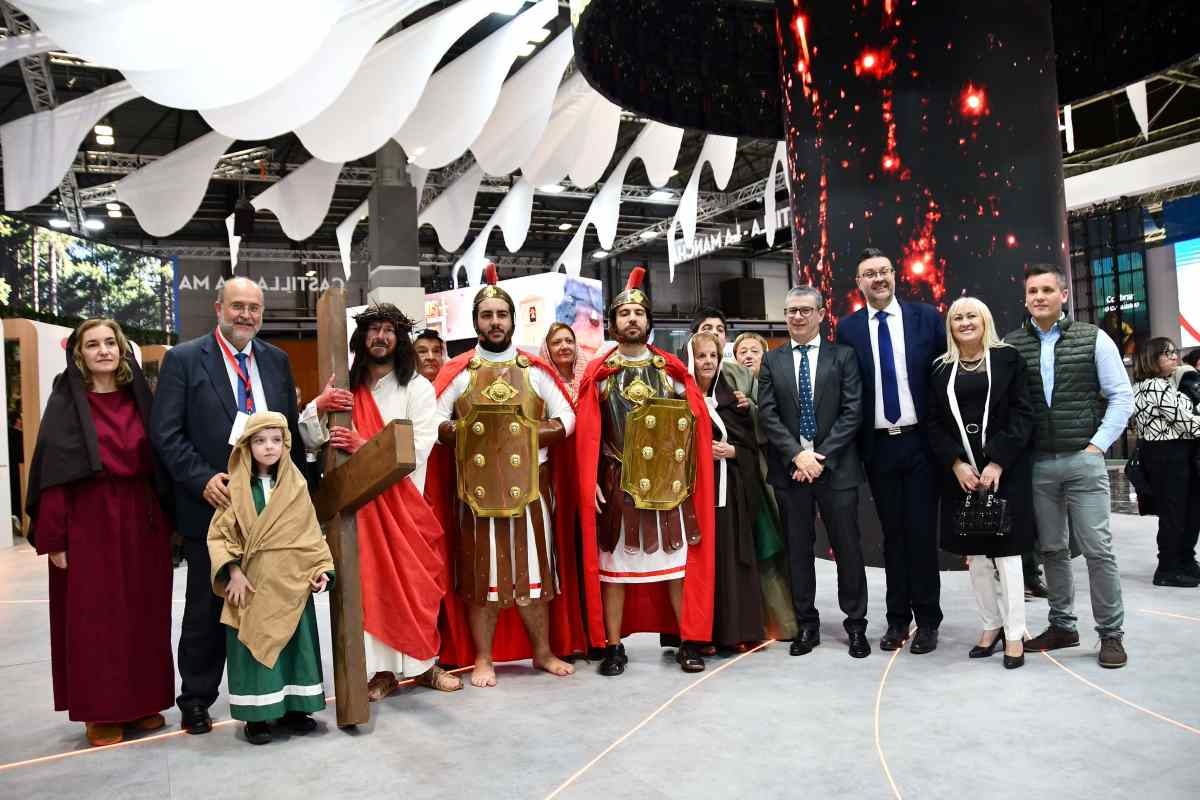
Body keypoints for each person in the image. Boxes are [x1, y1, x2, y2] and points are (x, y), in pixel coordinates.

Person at [428, 266, 596, 687]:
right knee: (481, 578)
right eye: (487, 315)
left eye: (501, 314)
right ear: (476, 322)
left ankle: (541, 652)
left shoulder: (534, 369)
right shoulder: (461, 371)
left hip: (531, 488)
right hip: (476, 491)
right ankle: (483, 657)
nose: (495, 322)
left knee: (535, 575)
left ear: (512, 319)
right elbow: (432, 421)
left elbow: (568, 418)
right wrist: (467, 435)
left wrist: (525, 436)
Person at [151, 277, 304, 734]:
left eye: (254, 308)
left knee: (270, 605)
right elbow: (166, 434)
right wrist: (201, 480)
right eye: (237, 306)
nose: (246, 315)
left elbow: (288, 432)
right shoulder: (183, 360)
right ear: (218, 308)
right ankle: (197, 699)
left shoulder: (277, 362)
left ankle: (275, 697)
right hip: (213, 506)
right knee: (207, 607)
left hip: (269, 509)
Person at [26, 319, 174, 747]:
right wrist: (54, 539)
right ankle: (101, 711)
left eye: (111, 342)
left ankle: (145, 700)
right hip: (89, 520)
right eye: (93, 344)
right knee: (96, 620)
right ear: (80, 354)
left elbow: (159, 459)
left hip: (142, 519)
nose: (104, 350)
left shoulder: (139, 398)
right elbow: (53, 474)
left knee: (145, 613)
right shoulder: (66, 404)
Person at [300, 303, 459, 699]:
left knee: (416, 586)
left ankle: (424, 666)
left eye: (389, 330)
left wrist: (365, 446)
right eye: (374, 330)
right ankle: (381, 673)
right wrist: (318, 408)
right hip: (359, 510)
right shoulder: (346, 389)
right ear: (362, 337)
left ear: (399, 339)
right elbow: (311, 439)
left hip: (405, 505)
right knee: (369, 590)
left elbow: (420, 446)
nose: (381, 337)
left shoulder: (417, 388)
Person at [575, 267, 717, 675]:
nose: (632, 320)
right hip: (617, 484)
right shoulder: (600, 375)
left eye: (638, 314)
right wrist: (591, 481)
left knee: (677, 567)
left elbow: (691, 426)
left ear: (649, 322)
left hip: (668, 487)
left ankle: (688, 640)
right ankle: (614, 646)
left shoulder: (671, 372)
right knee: (615, 571)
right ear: (614, 323)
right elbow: (587, 437)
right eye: (624, 315)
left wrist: (688, 477)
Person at [1006, 263, 1134, 668]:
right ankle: (1062, 625)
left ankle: (1111, 634)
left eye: (1047, 290)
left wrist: (1097, 447)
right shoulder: (1011, 346)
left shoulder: (1093, 338)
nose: (1039, 297)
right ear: (1025, 299)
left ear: (1064, 295)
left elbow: (1120, 397)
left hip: (1083, 461)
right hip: (1038, 465)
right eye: (1032, 291)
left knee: (1097, 550)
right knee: (1052, 551)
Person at [836, 248, 946, 654]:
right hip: (878, 447)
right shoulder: (848, 329)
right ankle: (897, 620)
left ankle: (928, 620)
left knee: (920, 534)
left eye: (883, 271)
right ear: (859, 282)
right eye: (869, 274)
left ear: (895, 276)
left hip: (921, 444)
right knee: (892, 537)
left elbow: (942, 379)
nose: (878, 279)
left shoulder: (926, 319)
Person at [207, 412, 335, 744]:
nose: (269, 447)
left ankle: (296, 708)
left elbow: (309, 532)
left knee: (295, 647)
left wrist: (320, 568)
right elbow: (220, 536)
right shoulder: (235, 487)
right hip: (252, 584)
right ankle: (258, 716)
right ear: (247, 446)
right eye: (260, 441)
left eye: (276, 440)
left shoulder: (296, 485)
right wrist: (233, 571)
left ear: (286, 444)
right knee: (253, 647)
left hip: (292, 581)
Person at [758, 287, 870, 658]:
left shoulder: (843, 357)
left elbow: (853, 411)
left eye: (806, 310)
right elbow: (768, 415)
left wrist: (818, 456)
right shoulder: (772, 362)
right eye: (791, 311)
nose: (797, 317)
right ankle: (807, 624)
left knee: (848, 550)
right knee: (798, 552)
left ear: (822, 314)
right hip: (791, 473)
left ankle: (856, 626)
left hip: (835, 468)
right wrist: (797, 456)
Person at [927, 298, 1035, 669]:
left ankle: (1015, 632)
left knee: (1007, 556)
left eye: (971, 315)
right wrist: (955, 463)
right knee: (975, 559)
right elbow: (933, 423)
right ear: (950, 326)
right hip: (962, 478)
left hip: (1006, 474)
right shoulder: (940, 369)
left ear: (985, 319)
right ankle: (990, 626)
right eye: (957, 317)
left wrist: (998, 462)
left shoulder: (1009, 360)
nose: (965, 321)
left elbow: (1024, 413)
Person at [689, 332, 767, 651]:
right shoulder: (682, 397)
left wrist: (732, 452)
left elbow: (750, 445)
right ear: (690, 360)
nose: (707, 362)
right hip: (696, 496)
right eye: (701, 356)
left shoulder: (732, 400)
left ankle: (736, 632)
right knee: (701, 565)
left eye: (713, 356)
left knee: (732, 560)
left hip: (730, 493)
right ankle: (701, 635)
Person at [1130, 337, 1200, 587]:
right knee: (1174, 513)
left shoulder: (1166, 383)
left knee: (1188, 510)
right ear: (1151, 359)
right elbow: (1186, 421)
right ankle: (1168, 568)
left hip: (1176, 453)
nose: (1174, 357)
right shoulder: (1152, 386)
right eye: (1167, 354)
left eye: (1174, 352)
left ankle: (1185, 561)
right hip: (1165, 455)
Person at [540, 321, 586, 401]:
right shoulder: (540, 385)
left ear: (576, 346)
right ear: (547, 350)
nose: (564, 346)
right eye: (557, 343)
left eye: (569, 341)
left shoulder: (589, 380)